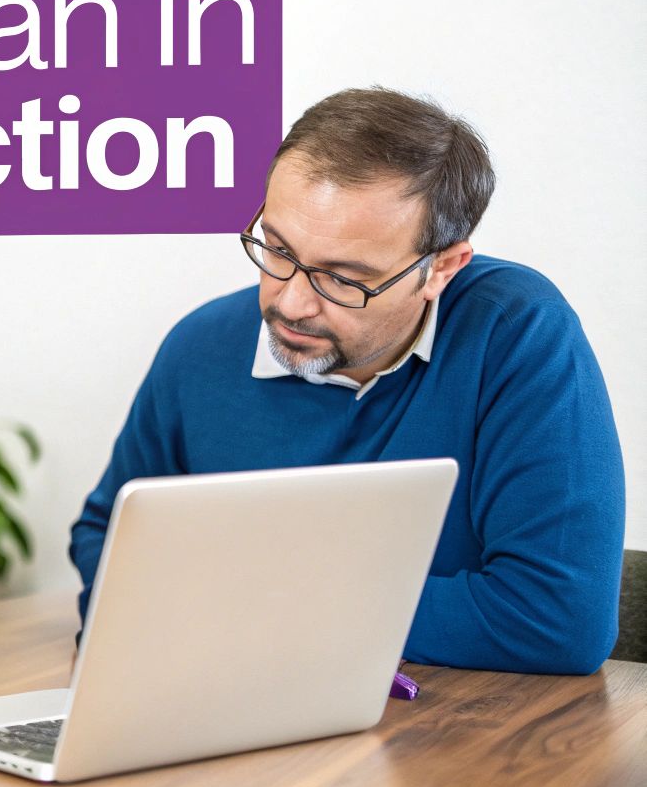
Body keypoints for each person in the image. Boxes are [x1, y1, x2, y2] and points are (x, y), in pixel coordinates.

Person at [69, 87, 625, 675]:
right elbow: (110, 536)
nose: (291, 302)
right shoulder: (200, 347)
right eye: (278, 250)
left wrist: (246, 602)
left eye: (344, 278)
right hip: (226, 704)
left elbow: (558, 619)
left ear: (441, 268)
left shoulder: (515, 333)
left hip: (454, 739)